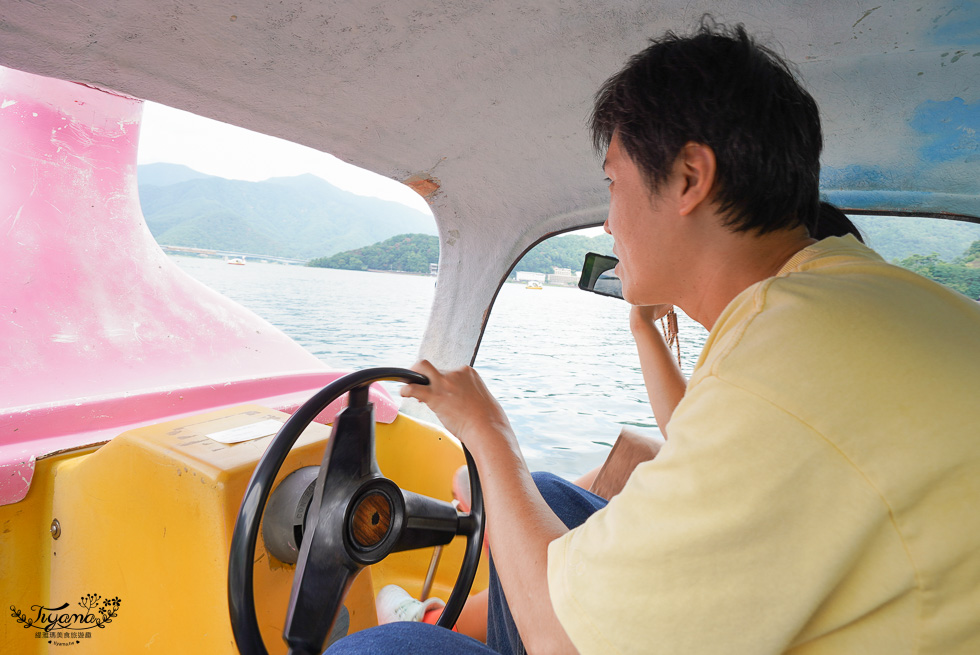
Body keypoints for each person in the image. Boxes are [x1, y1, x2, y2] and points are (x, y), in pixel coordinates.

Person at [328, 18, 980, 655]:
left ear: (690, 178)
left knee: (381, 647)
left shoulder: (786, 360)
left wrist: (488, 433)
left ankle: (427, 621)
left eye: (613, 183)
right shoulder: (848, 302)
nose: (610, 223)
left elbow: (564, 644)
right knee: (549, 495)